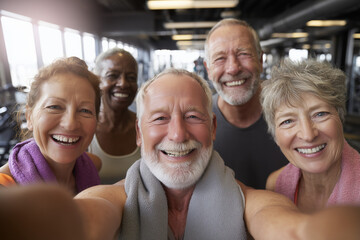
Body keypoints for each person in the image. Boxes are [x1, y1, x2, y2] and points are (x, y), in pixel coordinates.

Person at [2, 68, 360, 240]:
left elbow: (290, 228)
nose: (177, 133)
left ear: (213, 130)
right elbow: (85, 219)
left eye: (192, 117)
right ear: (139, 134)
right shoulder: (110, 196)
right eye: (160, 118)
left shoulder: (255, 199)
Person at [261, 59, 360, 213]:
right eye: (287, 121)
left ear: (340, 117)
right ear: (275, 136)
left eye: (320, 114)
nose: (308, 135)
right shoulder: (275, 185)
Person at [203, 18, 288, 189]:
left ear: (261, 60)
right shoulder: (197, 123)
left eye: (244, 54)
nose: (233, 68)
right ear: (208, 69)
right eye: (220, 58)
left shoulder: (293, 115)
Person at [0, 57, 101, 194]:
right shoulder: (5, 188)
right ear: (29, 117)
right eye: (54, 107)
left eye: (85, 110)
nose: (70, 124)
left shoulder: (92, 165)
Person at [88, 48, 140, 184]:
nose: (123, 83)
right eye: (112, 75)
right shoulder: (84, 129)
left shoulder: (145, 126)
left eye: (131, 78)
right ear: (97, 81)